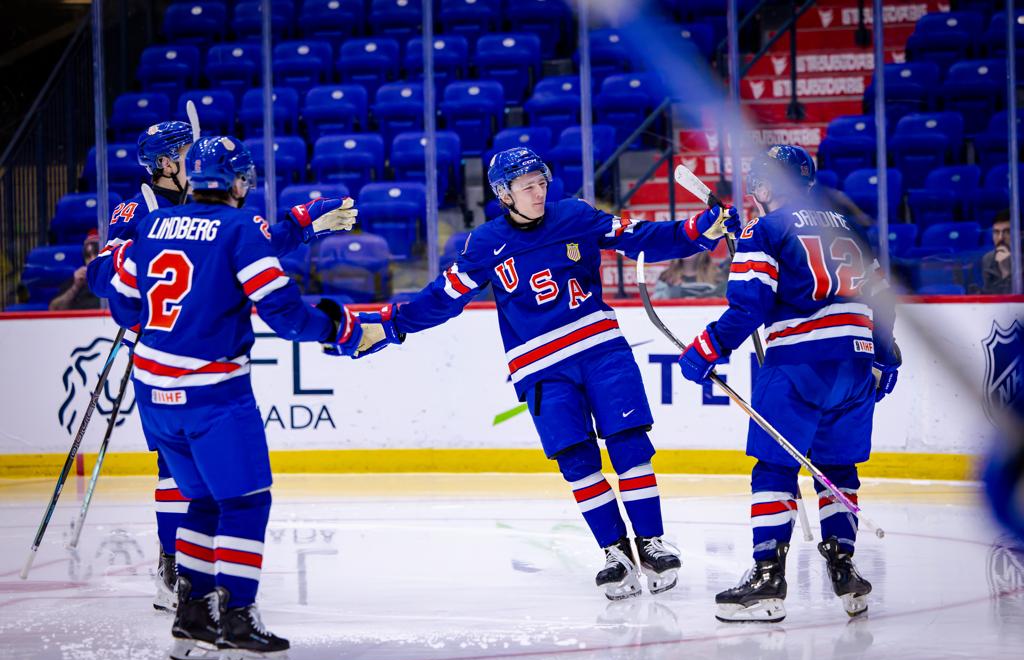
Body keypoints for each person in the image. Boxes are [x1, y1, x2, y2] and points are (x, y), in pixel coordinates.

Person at [338, 147, 740, 600]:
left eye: (541, 182)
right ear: (503, 194)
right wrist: (393, 325)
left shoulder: (575, 216)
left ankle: (651, 542)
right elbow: (441, 299)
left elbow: (641, 236)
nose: (538, 192)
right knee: (576, 460)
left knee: (630, 444)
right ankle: (615, 552)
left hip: (602, 350)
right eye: (527, 186)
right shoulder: (484, 244)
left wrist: (699, 230)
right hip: (540, 368)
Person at [103, 136, 363, 660]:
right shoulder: (239, 227)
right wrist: (338, 330)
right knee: (245, 502)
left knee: (202, 501)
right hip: (212, 396)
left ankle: (192, 621)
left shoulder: (154, 226)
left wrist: (167, 330)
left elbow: (124, 304)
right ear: (237, 182)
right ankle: (239, 627)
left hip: (154, 394)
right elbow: (284, 312)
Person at [675, 145, 900, 622]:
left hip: (798, 365)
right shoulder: (848, 227)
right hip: (856, 365)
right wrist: (884, 358)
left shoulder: (765, 229)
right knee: (837, 468)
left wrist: (707, 348)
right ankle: (844, 569)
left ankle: (766, 579)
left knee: (774, 469)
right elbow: (884, 301)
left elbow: (750, 306)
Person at [50, 230, 100, 310]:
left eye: (96, 253)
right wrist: (76, 287)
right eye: (88, 256)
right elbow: (54, 309)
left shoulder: (114, 280)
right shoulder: (77, 280)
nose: (92, 260)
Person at [652, 252, 725, 299]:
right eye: (682, 243)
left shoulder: (717, 275)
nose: (686, 247)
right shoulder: (666, 276)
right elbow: (655, 302)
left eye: (691, 242)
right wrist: (672, 291)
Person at [982, 210, 1012, 294]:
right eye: (996, 232)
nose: (1000, 238)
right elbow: (988, 295)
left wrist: (1006, 272)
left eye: (1007, 232)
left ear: (1021, 234)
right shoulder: (988, 259)